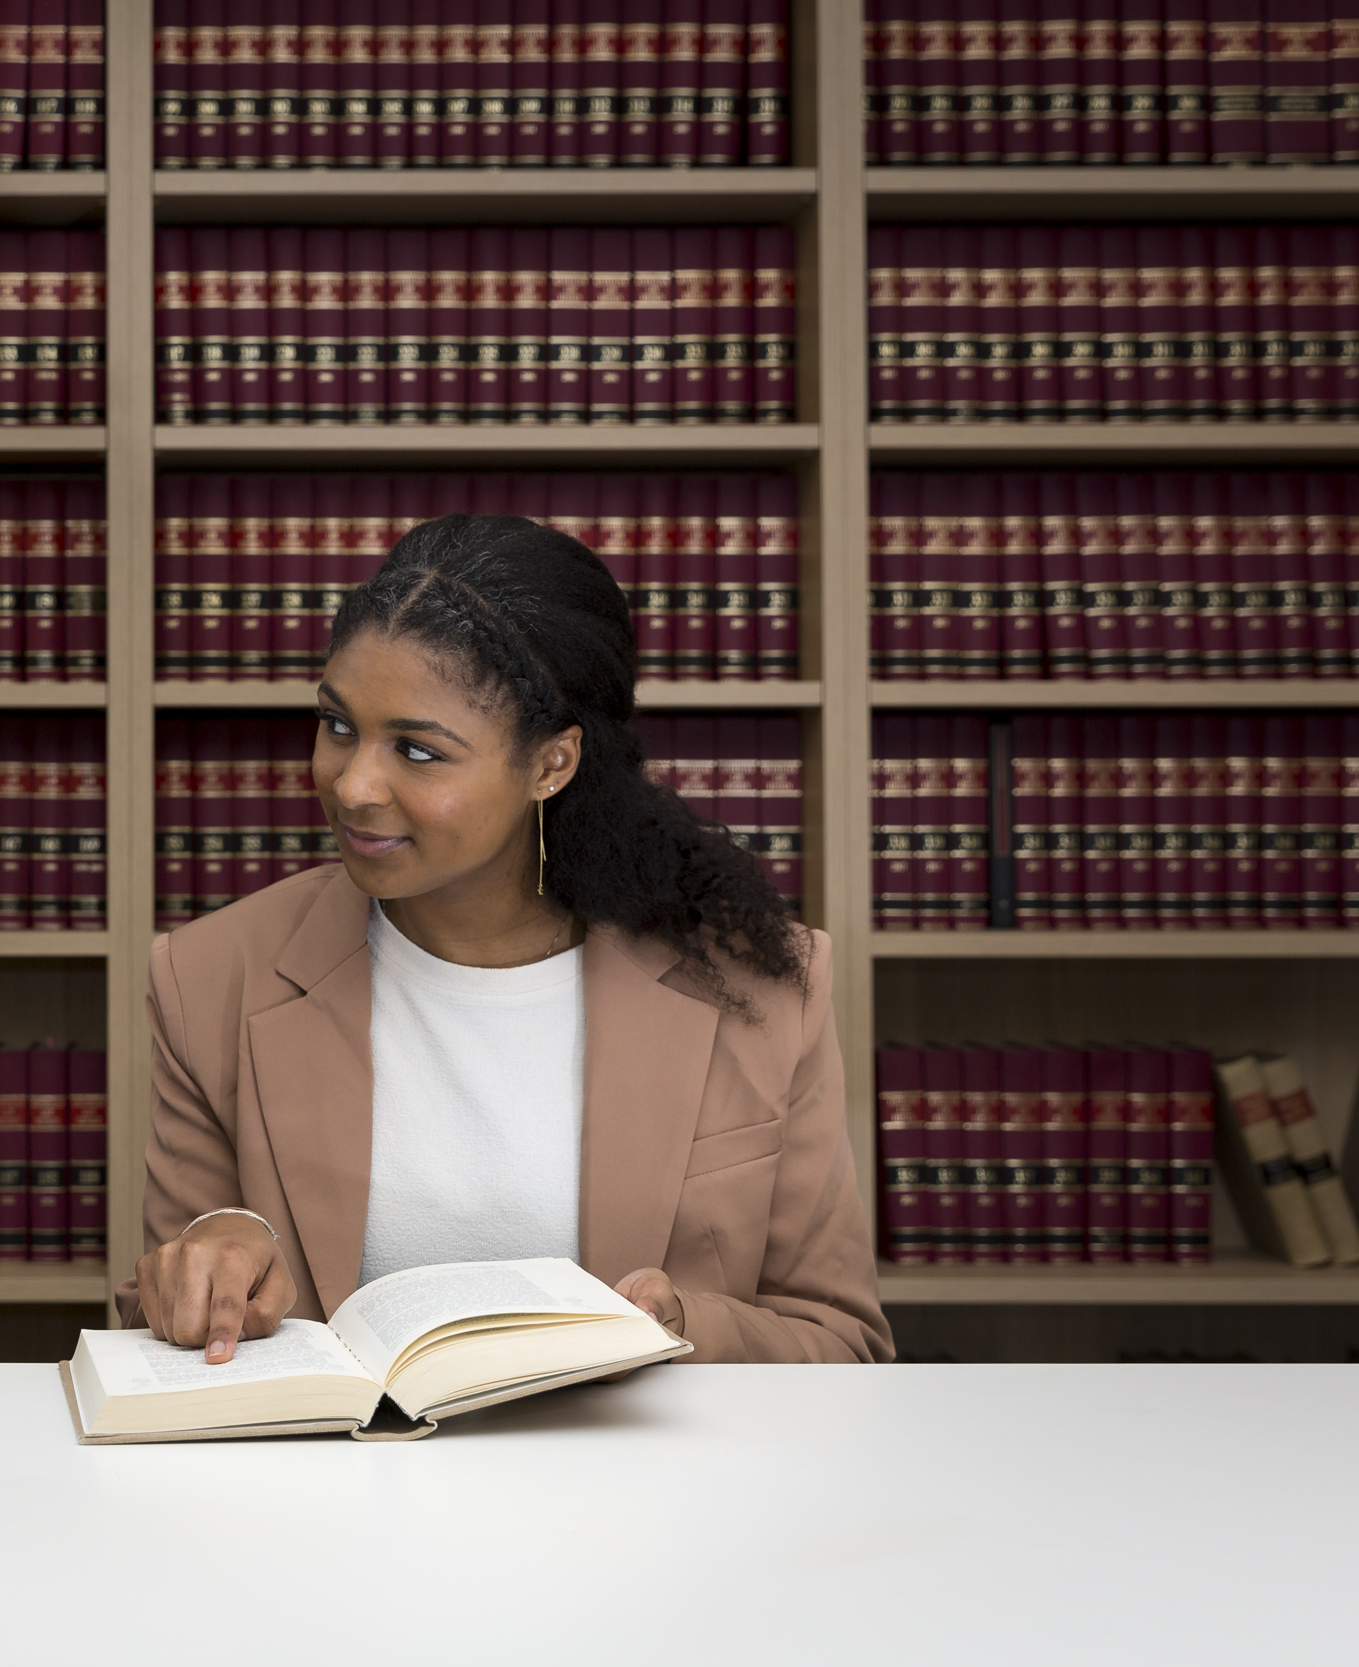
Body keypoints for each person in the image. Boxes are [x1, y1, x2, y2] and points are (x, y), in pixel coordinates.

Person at [124, 514, 892, 1366]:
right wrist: (198, 1276)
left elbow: (842, 1342)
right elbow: (161, 1340)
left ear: (551, 764)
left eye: (417, 750)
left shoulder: (763, 990)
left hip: (655, 1493)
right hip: (331, 1490)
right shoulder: (209, 978)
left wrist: (685, 1327)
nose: (352, 782)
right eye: (338, 724)